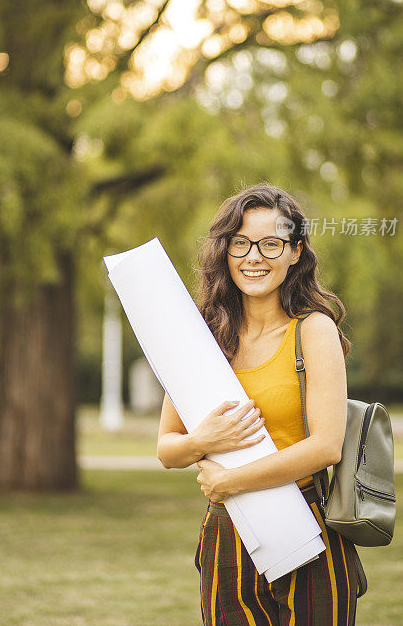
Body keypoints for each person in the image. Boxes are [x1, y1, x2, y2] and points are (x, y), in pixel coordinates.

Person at [157, 183, 367, 625]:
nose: (254, 256)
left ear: (295, 251)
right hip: (227, 534)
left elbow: (327, 446)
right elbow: (168, 449)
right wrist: (203, 440)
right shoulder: (204, 339)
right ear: (224, 252)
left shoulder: (313, 330)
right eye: (240, 243)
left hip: (309, 525)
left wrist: (230, 479)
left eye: (271, 243)